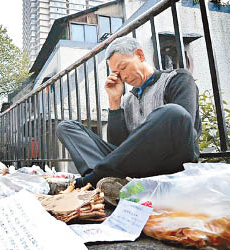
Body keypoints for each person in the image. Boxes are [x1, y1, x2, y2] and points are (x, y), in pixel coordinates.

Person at [56, 37, 201, 189]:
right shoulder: (127, 100)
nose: (123, 77)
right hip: (135, 165)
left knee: (174, 113)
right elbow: (119, 146)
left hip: (170, 161)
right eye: (117, 73)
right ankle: (104, 183)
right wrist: (114, 101)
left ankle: (94, 178)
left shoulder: (177, 79)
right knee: (66, 126)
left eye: (123, 67)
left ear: (140, 55)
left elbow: (183, 126)